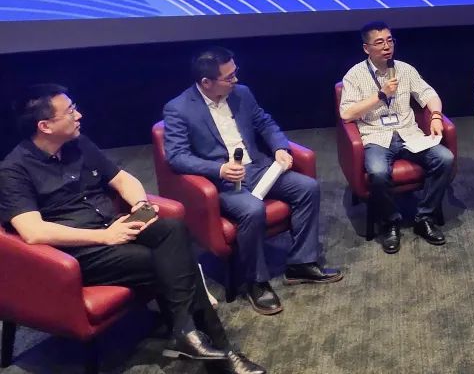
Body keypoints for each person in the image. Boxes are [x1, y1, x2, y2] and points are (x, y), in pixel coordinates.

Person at [0, 85, 265, 374]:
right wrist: (104, 237)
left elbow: (124, 180)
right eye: (70, 111)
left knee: (173, 228)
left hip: (113, 227)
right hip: (76, 254)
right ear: (45, 126)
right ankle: (222, 355)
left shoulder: (78, 144)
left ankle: (184, 330)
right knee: (173, 262)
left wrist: (140, 206)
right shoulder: (14, 170)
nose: (79, 115)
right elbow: (33, 231)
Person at [163, 47, 341, 316]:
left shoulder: (242, 93)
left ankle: (301, 263)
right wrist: (219, 169)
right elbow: (177, 157)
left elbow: (265, 123)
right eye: (228, 77)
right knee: (252, 210)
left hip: (257, 167)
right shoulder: (178, 109)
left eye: (235, 73)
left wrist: (280, 147)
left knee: (308, 188)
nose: (235, 80)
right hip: (221, 181)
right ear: (206, 82)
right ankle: (256, 282)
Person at [338, 21, 455, 254]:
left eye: (389, 41)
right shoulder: (354, 75)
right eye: (379, 42)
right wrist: (381, 95)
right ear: (366, 48)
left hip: (409, 133)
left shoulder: (405, 69)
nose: (386, 47)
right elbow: (347, 113)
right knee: (378, 172)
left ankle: (424, 217)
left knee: (445, 159)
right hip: (376, 136)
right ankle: (390, 222)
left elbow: (429, 94)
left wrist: (435, 116)